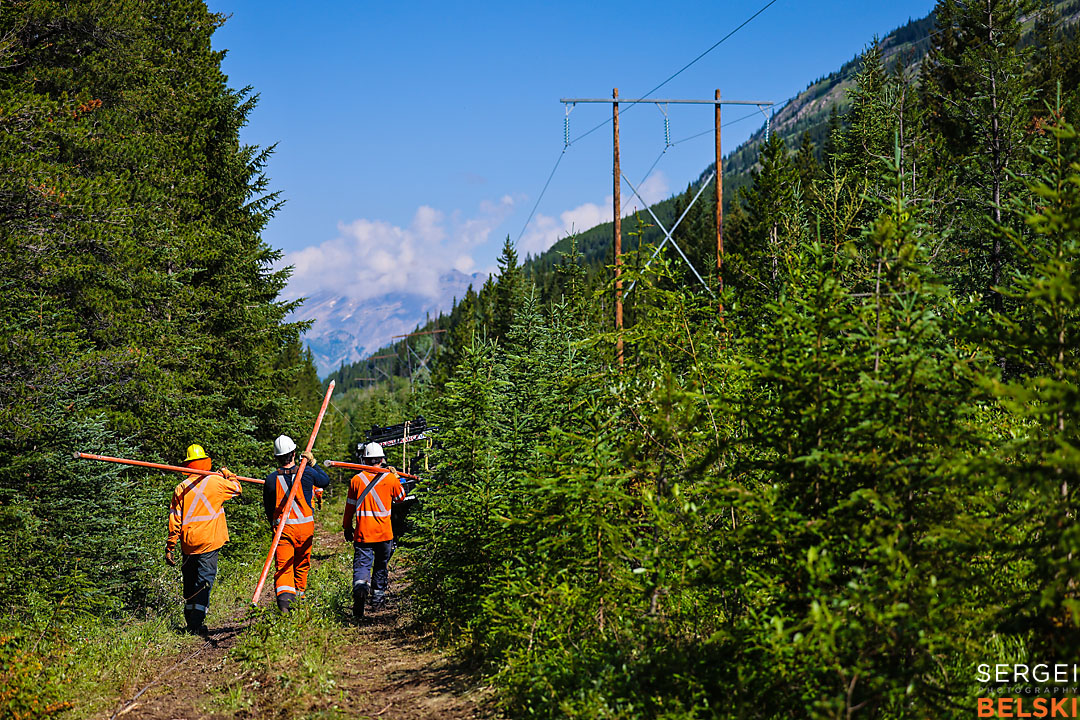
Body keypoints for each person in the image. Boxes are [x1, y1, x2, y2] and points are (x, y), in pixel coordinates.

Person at [166, 443, 242, 635]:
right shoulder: (216, 482)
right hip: (209, 541)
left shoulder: (180, 488)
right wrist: (227, 473)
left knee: (190, 583)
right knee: (204, 583)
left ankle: (190, 619)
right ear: (205, 463)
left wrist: (170, 546)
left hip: (188, 543)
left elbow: (174, 519)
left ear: (188, 465)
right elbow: (237, 489)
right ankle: (195, 625)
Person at [263, 434, 330, 613]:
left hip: (283, 531)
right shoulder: (306, 472)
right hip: (305, 528)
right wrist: (312, 463)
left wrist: (273, 524)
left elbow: (268, 508)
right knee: (302, 563)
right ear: (294, 454)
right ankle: (300, 598)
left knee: (284, 567)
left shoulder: (270, 479)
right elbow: (325, 481)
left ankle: (285, 605)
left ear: (276, 457)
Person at [343, 442, 406, 618]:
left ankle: (361, 590)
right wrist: (396, 478)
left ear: (364, 459)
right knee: (380, 566)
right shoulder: (390, 478)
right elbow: (401, 498)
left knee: (362, 566)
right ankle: (378, 601)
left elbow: (349, 507)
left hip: (363, 533)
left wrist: (347, 527)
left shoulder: (356, 480)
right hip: (385, 534)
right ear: (382, 460)